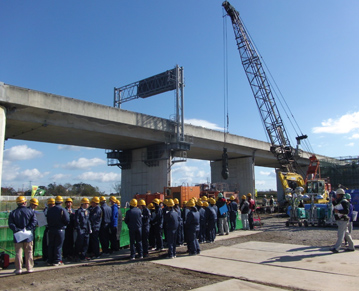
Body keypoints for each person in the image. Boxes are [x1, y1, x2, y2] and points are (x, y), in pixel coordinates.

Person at [8, 196, 37, 275]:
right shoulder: (30, 211)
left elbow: (11, 224)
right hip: (28, 235)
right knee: (29, 252)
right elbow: (34, 222)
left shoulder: (13, 213)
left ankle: (18, 268)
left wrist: (17, 230)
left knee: (18, 253)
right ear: (24, 202)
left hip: (18, 236)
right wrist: (27, 229)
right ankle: (29, 267)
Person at [47, 195, 70, 266]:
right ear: (62, 202)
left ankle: (50, 260)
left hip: (51, 229)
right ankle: (57, 260)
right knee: (58, 246)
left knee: (51, 245)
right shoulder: (62, 210)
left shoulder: (50, 210)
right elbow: (67, 220)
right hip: (60, 230)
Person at [330, 188, 354, 253]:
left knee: (340, 234)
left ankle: (337, 248)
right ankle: (351, 246)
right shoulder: (341, 201)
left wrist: (338, 211)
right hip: (342, 220)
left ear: (339, 195)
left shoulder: (344, 202)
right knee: (346, 234)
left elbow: (346, 211)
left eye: (337, 194)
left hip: (343, 220)